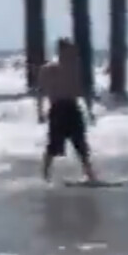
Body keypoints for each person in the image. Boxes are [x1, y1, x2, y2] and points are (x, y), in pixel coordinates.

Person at [37, 36, 98, 183]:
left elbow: (82, 90)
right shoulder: (49, 69)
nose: (73, 54)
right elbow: (41, 92)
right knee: (53, 146)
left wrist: (89, 110)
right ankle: (45, 177)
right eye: (69, 51)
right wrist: (39, 111)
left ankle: (90, 176)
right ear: (61, 51)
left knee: (81, 145)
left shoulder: (75, 68)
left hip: (73, 108)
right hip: (58, 109)